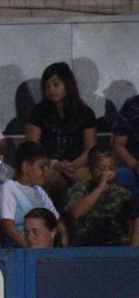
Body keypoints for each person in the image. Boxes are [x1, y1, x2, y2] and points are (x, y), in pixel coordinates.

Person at [23, 62, 98, 210]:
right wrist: (55, 164)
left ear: (67, 84)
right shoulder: (38, 113)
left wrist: (73, 165)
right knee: (52, 179)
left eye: (56, 84)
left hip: (78, 164)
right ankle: (54, 218)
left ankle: (79, 218)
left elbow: (91, 148)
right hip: (49, 164)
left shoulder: (85, 112)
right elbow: (32, 149)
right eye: (47, 86)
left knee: (85, 178)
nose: (51, 90)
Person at [0, 141, 66, 248]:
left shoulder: (39, 191)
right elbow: (8, 227)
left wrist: (64, 238)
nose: (46, 171)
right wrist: (30, 250)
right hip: (18, 252)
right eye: (42, 167)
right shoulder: (8, 188)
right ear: (26, 167)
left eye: (47, 167)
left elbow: (57, 220)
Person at [65, 145, 138, 247]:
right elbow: (76, 213)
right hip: (85, 245)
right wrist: (100, 188)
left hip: (116, 245)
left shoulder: (123, 194)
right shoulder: (80, 189)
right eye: (101, 168)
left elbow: (132, 225)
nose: (106, 172)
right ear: (90, 169)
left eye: (111, 168)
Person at [110, 93, 139, 210]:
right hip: (132, 165)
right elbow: (117, 144)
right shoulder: (132, 105)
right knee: (121, 174)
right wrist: (135, 165)